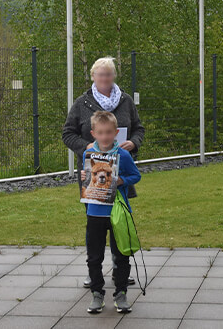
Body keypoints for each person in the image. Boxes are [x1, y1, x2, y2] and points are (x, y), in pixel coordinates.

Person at [62, 56, 145, 288]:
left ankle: (121, 271)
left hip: (119, 174)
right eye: (100, 75)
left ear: (114, 76)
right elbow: (67, 133)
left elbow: (139, 128)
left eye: (108, 74)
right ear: (93, 77)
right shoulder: (82, 103)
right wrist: (84, 146)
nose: (105, 79)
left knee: (119, 223)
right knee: (95, 228)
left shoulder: (126, 100)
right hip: (92, 178)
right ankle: (94, 271)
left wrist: (134, 143)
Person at [81, 111, 141, 315]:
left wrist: (121, 181)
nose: (105, 137)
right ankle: (97, 293)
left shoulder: (122, 154)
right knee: (94, 257)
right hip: (95, 212)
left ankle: (121, 293)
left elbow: (136, 175)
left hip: (118, 213)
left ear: (115, 133)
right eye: (100, 133)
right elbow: (87, 181)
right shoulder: (88, 155)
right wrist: (83, 175)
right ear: (93, 133)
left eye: (108, 132)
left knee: (121, 254)